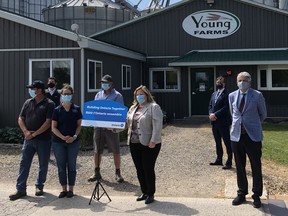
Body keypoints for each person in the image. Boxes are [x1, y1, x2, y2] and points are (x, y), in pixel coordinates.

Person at [9, 80, 55, 201]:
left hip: (43, 140)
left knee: (43, 164)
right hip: (28, 138)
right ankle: (20, 189)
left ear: (39, 90)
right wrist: (26, 132)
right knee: (24, 163)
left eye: (33, 89)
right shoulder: (28, 102)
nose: (31, 91)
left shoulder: (49, 104)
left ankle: (39, 186)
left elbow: (48, 122)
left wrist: (34, 134)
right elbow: (20, 118)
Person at [229, 71, 267, 208]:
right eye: (239, 80)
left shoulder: (257, 95)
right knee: (239, 166)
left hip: (253, 137)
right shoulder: (232, 96)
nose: (242, 82)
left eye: (244, 80)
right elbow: (233, 114)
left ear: (250, 82)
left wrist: (252, 125)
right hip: (236, 136)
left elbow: (263, 114)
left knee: (256, 166)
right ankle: (241, 193)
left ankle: (256, 195)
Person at [126, 85, 163, 204]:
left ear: (147, 95)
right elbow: (127, 124)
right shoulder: (132, 108)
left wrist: (154, 140)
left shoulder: (153, 107)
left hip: (149, 143)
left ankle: (151, 193)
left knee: (148, 168)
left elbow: (158, 126)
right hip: (134, 143)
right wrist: (113, 129)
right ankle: (144, 191)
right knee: (139, 169)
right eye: (137, 95)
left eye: (141, 94)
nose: (139, 96)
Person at [88, 74, 125, 183]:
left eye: (106, 83)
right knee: (97, 150)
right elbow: (94, 109)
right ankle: (96, 171)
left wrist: (112, 123)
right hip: (98, 127)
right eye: (102, 83)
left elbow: (119, 112)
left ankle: (118, 172)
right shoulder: (98, 95)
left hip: (111, 128)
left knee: (115, 150)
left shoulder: (118, 96)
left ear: (111, 84)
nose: (104, 85)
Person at [51, 84, 82, 198]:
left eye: (68, 94)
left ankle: (71, 189)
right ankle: (63, 189)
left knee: (72, 166)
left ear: (72, 95)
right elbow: (53, 127)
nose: (66, 95)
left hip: (73, 142)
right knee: (61, 166)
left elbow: (79, 125)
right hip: (59, 142)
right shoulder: (57, 110)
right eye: (64, 94)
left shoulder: (76, 109)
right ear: (61, 95)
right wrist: (63, 137)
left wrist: (74, 136)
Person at [208, 76, 232, 169]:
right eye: (217, 82)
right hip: (214, 123)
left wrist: (215, 114)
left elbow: (226, 108)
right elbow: (210, 105)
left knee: (227, 142)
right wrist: (210, 113)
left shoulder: (227, 95)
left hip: (223, 122)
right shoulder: (214, 94)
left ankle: (229, 162)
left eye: (220, 82)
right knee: (217, 142)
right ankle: (219, 159)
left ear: (224, 84)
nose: (218, 83)